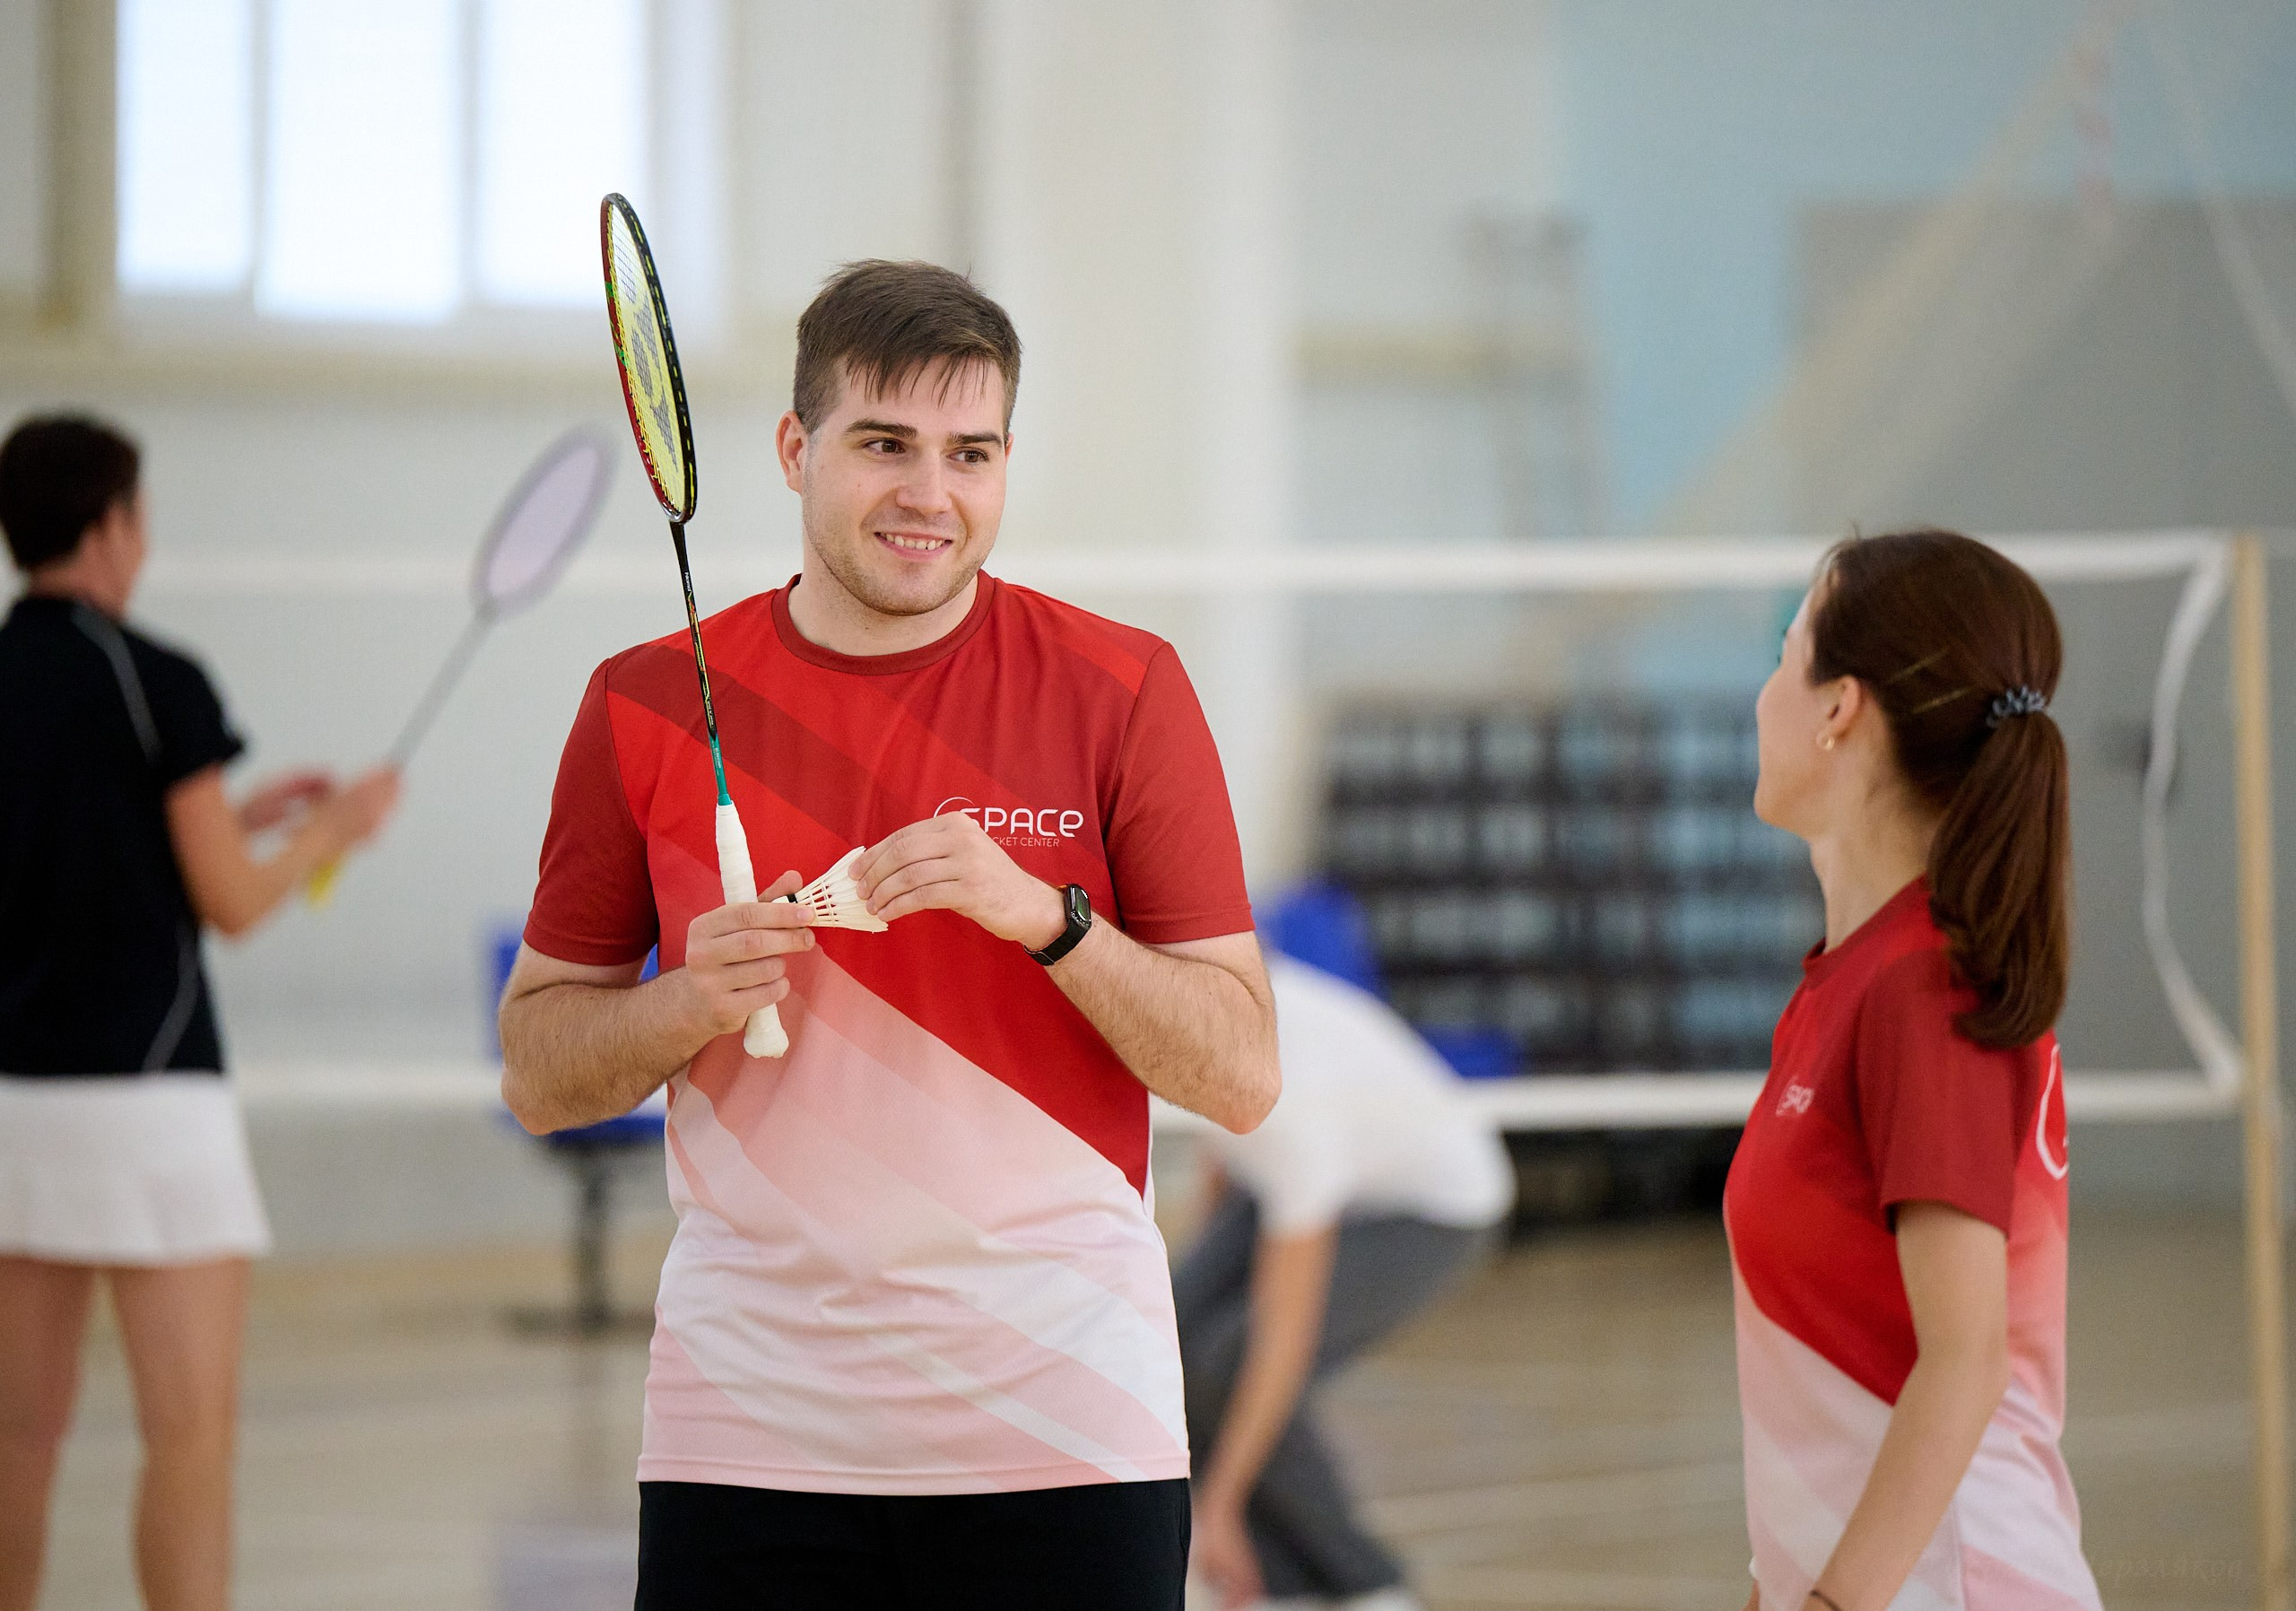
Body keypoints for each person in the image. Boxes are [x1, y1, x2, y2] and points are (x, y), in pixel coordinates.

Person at [499, 260, 1280, 1611]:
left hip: (1068, 1422)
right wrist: (686, 1002)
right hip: (746, 1429)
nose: (932, 494)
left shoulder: (1123, 688)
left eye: (970, 453)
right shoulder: (639, 705)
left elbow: (1241, 1076)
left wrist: (1047, 922)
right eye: (885, 445)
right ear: (797, 450)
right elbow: (538, 1070)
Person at [0, 414, 399, 1611]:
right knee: (189, 1440)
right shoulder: (155, 678)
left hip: (15, 1109)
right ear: (115, 524)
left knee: (19, 1442)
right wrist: (331, 831)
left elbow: (91, 843)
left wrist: (249, 810)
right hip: (153, 1105)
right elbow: (226, 904)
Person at [1728, 528, 2101, 1610]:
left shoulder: (1919, 988)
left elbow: (1965, 1358)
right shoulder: (1852, 981)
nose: (1762, 697)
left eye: (1783, 651)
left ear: (1839, 706)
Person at [1176, 952, 1512, 1611]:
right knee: (1174, 1332)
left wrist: (1218, 1503)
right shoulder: (1213, 1004)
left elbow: (1281, 1346)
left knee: (1234, 1357)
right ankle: (1274, 1583)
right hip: (1303, 1176)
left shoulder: (1295, 1107)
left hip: (1428, 1208)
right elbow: (1224, 1166)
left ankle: (1367, 1582)